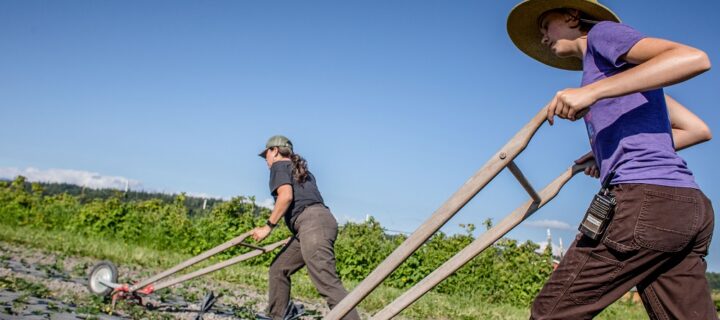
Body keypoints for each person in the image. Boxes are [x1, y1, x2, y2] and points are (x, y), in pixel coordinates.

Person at [507, 0, 714, 319]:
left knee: (551, 314)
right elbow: (697, 129)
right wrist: (607, 152)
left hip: (647, 202)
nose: (543, 38)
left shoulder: (602, 36)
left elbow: (693, 58)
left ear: (572, 16)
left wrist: (593, 93)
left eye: (545, 26)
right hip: (686, 207)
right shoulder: (626, 79)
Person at [251, 135, 360, 320]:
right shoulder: (301, 170)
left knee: (326, 281)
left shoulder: (279, 166)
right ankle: (275, 316)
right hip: (315, 224)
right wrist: (298, 232)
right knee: (279, 268)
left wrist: (268, 227)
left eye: (267, 155)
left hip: (312, 225)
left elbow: (286, 197)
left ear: (275, 151)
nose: (266, 161)